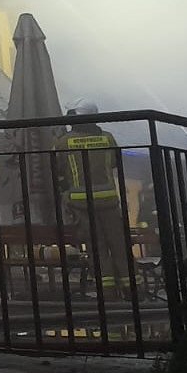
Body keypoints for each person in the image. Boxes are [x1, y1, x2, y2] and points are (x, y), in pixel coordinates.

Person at [54, 99, 131, 297]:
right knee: (119, 245)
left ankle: (107, 293)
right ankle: (133, 289)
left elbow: (58, 168)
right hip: (109, 200)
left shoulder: (64, 141)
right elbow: (114, 162)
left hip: (81, 202)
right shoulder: (108, 138)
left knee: (98, 248)